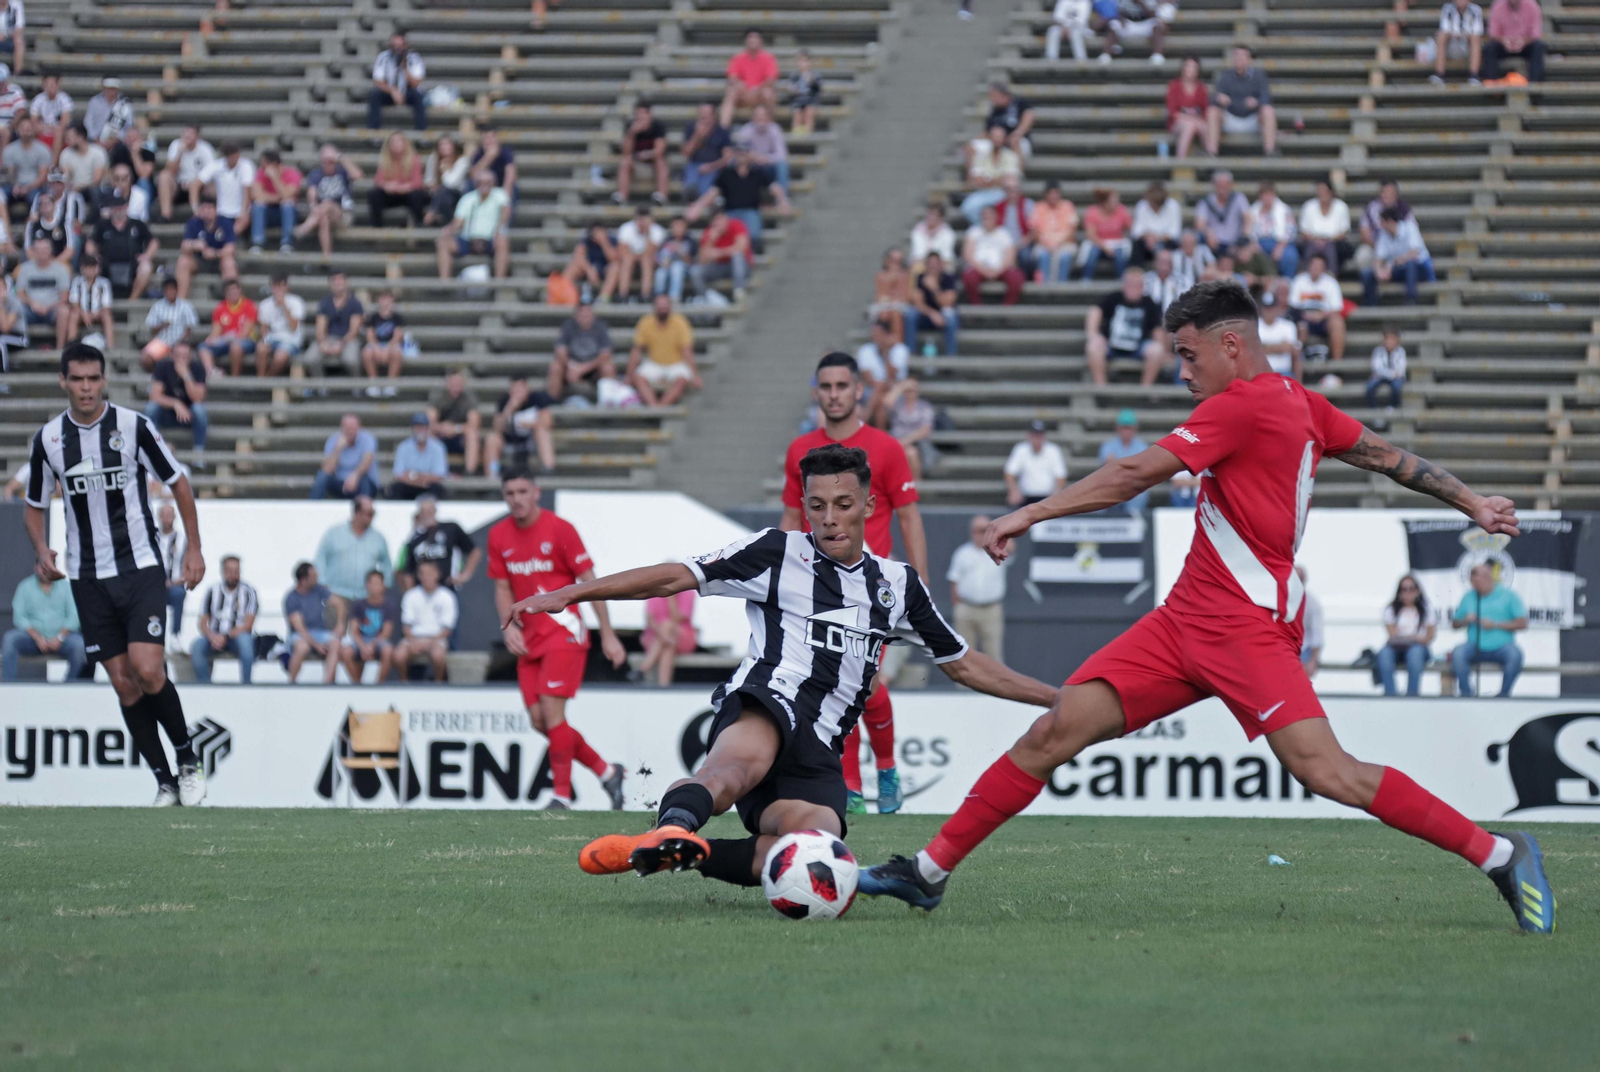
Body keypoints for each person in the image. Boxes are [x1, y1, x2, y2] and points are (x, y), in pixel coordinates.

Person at [856, 279, 1557, 937]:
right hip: (1183, 622)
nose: (1183, 373)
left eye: (1189, 356)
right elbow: (1387, 456)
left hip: (1248, 630)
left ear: (1231, 346)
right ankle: (928, 871)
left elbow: (1133, 473)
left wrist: (1028, 513)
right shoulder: (1303, 405)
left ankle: (1500, 853)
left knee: (1329, 771)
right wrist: (1473, 501)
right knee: (1056, 729)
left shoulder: (1240, 406)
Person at [547, 443, 1058, 888]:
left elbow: (966, 665)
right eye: (817, 507)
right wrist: (572, 593)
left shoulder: (898, 586)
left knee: (818, 851)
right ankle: (674, 827)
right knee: (733, 769)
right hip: (768, 701)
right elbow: (673, 577)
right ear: (804, 509)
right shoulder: (775, 552)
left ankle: (692, 855)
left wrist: (1058, 699)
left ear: (868, 505)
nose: (830, 518)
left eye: (842, 504)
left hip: (819, 747)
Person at [22, 342, 208, 806]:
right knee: (123, 682)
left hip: (141, 566)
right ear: (63, 381)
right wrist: (42, 547)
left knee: (148, 669)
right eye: (77, 379)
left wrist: (195, 549)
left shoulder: (133, 426)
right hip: (87, 578)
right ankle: (164, 780)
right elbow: (33, 506)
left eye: (93, 378)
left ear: (103, 380)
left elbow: (178, 482)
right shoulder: (48, 440)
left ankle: (187, 758)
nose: (86, 388)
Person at [782, 353, 928, 815]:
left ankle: (884, 769)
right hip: (817, 588)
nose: (834, 394)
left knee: (862, 685)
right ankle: (849, 787)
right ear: (815, 391)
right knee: (831, 684)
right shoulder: (800, 450)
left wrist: (916, 586)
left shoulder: (885, 449)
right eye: (825, 386)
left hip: (871, 589)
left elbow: (908, 517)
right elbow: (791, 518)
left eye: (842, 385)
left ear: (859, 389)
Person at [489, 469, 629, 809]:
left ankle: (561, 797)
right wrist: (508, 626)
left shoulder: (560, 529)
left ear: (536, 492)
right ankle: (607, 771)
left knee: (552, 716)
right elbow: (503, 586)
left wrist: (607, 634)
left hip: (564, 634)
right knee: (541, 722)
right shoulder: (498, 535)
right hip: (530, 641)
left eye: (523, 491)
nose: (517, 499)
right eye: (510, 493)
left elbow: (590, 583)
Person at [685, 141, 791, 252]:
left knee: (753, 236)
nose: (742, 155)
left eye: (744, 152)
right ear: (734, 155)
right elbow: (712, 193)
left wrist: (783, 201)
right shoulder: (726, 174)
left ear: (749, 154)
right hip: (731, 212)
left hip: (751, 211)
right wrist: (697, 206)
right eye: (739, 153)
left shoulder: (758, 172)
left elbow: (775, 188)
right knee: (726, 236)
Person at [1450, 562, 1527, 697]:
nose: (1476, 586)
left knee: (1515, 655)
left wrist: (1495, 624)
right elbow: (1455, 624)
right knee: (1458, 653)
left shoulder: (1509, 595)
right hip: (1475, 647)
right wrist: (1465, 620)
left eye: (1478, 581)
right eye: (1473, 582)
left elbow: (1522, 623)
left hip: (1502, 647)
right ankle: (1466, 693)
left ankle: (1504, 694)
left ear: (1489, 578)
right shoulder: (1469, 597)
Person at [313, 495, 392, 621]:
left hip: (365, 597)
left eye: (373, 513)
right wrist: (324, 586)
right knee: (333, 636)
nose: (372, 517)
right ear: (356, 512)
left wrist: (384, 586)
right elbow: (320, 559)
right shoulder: (334, 533)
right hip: (337, 593)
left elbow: (387, 564)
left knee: (365, 637)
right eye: (369, 513)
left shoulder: (378, 538)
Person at [1086, 267, 1167, 386]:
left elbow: (1157, 329)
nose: (1133, 288)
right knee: (1093, 346)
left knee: (1157, 350)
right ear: (1124, 284)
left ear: (1142, 286)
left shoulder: (1149, 303)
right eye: (1130, 284)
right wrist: (1093, 334)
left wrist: (1162, 347)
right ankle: (1101, 388)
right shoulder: (1114, 298)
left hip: (1139, 346)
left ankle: (1145, 389)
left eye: (1137, 285)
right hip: (1111, 344)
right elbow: (1095, 311)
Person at [2, 571, 85, 681]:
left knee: (80, 645)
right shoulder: (25, 586)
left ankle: (70, 685)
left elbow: (74, 616)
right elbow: (19, 617)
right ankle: (9, 686)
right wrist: (37, 638)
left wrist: (60, 637)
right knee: (10, 639)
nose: (46, 571)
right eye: (43, 566)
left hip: (62, 639)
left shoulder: (66, 586)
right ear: (36, 567)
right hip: (32, 639)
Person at [188, 555, 257, 684]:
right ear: (223, 572)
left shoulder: (249, 592)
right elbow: (202, 622)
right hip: (213, 636)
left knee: (247, 644)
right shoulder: (212, 591)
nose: (234, 575)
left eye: (237, 571)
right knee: (197, 647)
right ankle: (205, 685)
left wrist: (225, 636)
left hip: (237, 637)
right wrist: (212, 636)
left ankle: (247, 685)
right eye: (230, 571)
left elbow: (248, 624)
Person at [947, 514, 1007, 661]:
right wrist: (958, 607)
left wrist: (995, 534)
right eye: (976, 530)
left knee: (994, 655)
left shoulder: (999, 550)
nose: (979, 534)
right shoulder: (962, 553)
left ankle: (994, 685)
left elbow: (1012, 546)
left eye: (983, 530)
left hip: (991, 610)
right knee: (964, 656)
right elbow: (954, 581)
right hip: (966, 608)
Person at [627, 293, 701, 407]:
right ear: (654, 307)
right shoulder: (646, 322)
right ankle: (654, 407)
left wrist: (695, 375)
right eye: (660, 305)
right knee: (638, 378)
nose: (663, 308)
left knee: (681, 380)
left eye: (665, 305)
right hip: (654, 363)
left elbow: (687, 351)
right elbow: (637, 350)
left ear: (670, 306)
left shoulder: (680, 322)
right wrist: (629, 375)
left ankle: (660, 407)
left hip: (676, 364)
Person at [436, 168, 510, 280]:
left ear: (493, 183)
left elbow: (505, 213)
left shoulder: (499, 195)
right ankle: (444, 282)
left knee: (502, 241)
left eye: (487, 182)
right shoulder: (468, 198)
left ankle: (500, 282)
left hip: (490, 239)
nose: (484, 185)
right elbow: (458, 222)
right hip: (468, 239)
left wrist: (498, 229)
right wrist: (449, 230)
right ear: (476, 184)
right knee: (443, 243)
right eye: (480, 182)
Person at [1205, 45, 1277, 156]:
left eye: (1243, 55)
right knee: (1212, 111)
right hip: (1231, 118)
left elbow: (1267, 98)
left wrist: (1256, 102)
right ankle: (1211, 153)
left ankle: (1270, 152)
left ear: (1249, 59)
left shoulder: (1259, 75)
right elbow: (1213, 98)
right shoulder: (1225, 75)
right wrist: (1220, 98)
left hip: (1252, 119)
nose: (1239, 58)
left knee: (1268, 111)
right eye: (1236, 55)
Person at [399, 495, 481, 590]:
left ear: (435, 511)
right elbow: (408, 570)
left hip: (448, 587)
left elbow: (474, 551)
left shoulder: (450, 529)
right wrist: (410, 593)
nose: (427, 514)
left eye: (430, 510)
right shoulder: (415, 538)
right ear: (419, 514)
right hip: (422, 590)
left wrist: (465, 575)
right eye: (424, 511)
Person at [86, 191, 156, 300]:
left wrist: (147, 255)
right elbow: (91, 242)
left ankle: (132, 300)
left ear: (126, 207)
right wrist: (94, 256)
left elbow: (153, 242)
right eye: (116, 207)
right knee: (91, 266)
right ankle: (98, 300)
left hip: (132, 264)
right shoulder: (102, 224)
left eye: (121, 207)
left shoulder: (137, 224)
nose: (119, 210)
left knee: (146, 268)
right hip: (106, 265)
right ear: (112, 208)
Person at [395, 560, 456, 681]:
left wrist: (431, 642)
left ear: (437, 574)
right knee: (398, 655)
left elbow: (447, 629)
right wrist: (414, 642)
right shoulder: (410, 595)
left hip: (437, 639)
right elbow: (406, 626)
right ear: (419, 576)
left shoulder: (447, 596)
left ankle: (437, 686)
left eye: (430, 573)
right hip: (414, 638)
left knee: (438, 656)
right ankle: (404, 685)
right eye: (423, 573)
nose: (426, 577)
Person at [296, 144, 362, 258]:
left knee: (328, 203)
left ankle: (305, 227)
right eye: (326, 161)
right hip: (321, 214)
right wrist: (314, 207)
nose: (329, 164)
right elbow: (311, 194)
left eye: (331, 161)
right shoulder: (316, 174)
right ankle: (326, 257)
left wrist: (341, 157)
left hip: (343, 213)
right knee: (324, 218)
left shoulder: (343, 171)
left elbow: (358, 175)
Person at [144, 341, 208, 454]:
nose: (182, 359)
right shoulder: (163, 366)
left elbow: (198, 398)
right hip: (168, 412)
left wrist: (186, 376)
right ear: (171, 355)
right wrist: (175, 403)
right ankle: (152, 447)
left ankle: (199, 450)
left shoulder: (198, 368)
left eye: (186, 356)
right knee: (151, 407)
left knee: (200, 409)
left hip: (189, 414)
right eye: (178, 356)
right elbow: (154, 396)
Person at [485, 376, 556, 477]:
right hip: (509, 441)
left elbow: (548, 422)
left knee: (543, 433)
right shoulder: (504, 402)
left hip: (531, 440)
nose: (518, 392)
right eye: (515, 389)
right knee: (491, 439)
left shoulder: (537, 399)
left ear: (527, 389)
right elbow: (497, 428)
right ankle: (492, 475)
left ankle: (549, 469)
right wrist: (509, 409)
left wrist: (529, 424)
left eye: (520, 388)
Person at [283, 561, 341, 685]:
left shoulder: (319, 590)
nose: (317, 578)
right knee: (302, 647)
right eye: (313, 576)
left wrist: (340, 625)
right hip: (300, 635)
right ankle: (291, 683)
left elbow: (339, 604)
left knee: (335, 643)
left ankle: (327, 684)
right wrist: (316, 645)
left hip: (321, 632)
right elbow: (300, 628)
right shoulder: (291, 598)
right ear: (303, 580)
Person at [1362, 207, 1434, 305]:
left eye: (1382, 222)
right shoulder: (1384, 234)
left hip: (1418, 268)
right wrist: (1379, 271)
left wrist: (1391, 266)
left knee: (1410, 265)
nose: (1380, 225)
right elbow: (1378, 259)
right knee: (1367, 274)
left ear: (1390, 222)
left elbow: (1414, 254)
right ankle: (1371, 306)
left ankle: (1411, 301)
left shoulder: (1410, 228)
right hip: (1397, 270)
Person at [1379, 574, 1437, 696]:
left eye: (1411, 589)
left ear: (1417, 591)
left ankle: (1412, 695)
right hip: (1397, 648)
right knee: (1384, 654)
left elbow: (1429, 637)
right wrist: (1414, 637)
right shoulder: (1391, 609)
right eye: (1404, 589)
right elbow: (1392, 635)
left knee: (1415, 654)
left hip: (1419, 648)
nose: (1408, 593)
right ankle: (1390, 695)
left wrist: (1408, 637)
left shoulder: (1427, 609)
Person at [341, 569, 398, 683]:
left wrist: (372, 645)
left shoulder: (389, 605)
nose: (374, 587)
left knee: (388, 650)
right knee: (345, 652)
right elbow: (354, 631)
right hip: (360, 640)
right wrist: (363, 647)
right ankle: (357, 684)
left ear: (383, 586)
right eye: (372, 583)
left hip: (379, 641)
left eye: (378, 583)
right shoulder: (358, 604)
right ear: (367, 585)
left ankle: (378, 685)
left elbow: (386, 632)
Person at [174, 196, 235, 300]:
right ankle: (180, 301)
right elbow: (184, 245)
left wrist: (215, 253)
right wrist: (195, 245)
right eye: (204, 208)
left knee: (229, 263)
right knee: (183, 261)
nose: (206, 211)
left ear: (216, 210)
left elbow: (231, 248)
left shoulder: (225, 223)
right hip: (199, 260)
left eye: (210, 208)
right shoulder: (194, 223)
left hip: (219, 260)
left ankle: (230, 302)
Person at [962, 204, 1024, 306]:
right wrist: (983, 270)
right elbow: (967, 255)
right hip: (978, 268)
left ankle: (1006, 308)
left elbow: (1011, 256)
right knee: (969, 277)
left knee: (1016, 277)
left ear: (996, 217)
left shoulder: (1004, 234)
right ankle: (977, 307)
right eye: (984, 216)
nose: (987, 218)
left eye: (990, 216)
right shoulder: (973, 232)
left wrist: (997, 271)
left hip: (1000, 268)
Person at [1288, 253, 1346, 361]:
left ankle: (1337, 363)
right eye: (1314, 265)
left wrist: (1320, 315)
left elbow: (1337, 308)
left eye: (1320, 266)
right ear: (1309, 266)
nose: (1316, 268)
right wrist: (1304, 315)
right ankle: (1297, 360)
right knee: (1298, 325)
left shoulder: (1331, 283)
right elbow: (1293, 305)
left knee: (1337, 322)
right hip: (1302, 317)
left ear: (1324, 268)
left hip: (1323, 318)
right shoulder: (1299, 281)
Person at [959, 124, 1022, 225]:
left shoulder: (1010, 156)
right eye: (995, 136)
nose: (997, 139)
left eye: (1000, 137)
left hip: (1003, 194)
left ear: (1004, 139)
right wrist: (999, 179)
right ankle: (986, 228)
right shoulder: (981, 156)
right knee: (967, 208)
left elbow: (1010, 182)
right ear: (989, 138)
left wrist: (987, 179)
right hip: (984, 193)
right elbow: (976, 181)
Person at [16, 233, 69, 349]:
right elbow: (20, 294)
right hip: (30, 309)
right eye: (38, 249)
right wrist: (32, 304)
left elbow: (64, 298)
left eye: (45, 249)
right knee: (15, 308)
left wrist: (48, 307)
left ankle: (60, 348)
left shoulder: (61, 269)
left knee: (64, 311)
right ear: (34, 251)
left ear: (51, 250)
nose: (42, 252)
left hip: (52, 310)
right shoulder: (25, 268)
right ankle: (20, 345)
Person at [311, 413, 379, 500]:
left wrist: (355, 475)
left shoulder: (368, 439)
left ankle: (364, 507)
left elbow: (367, 462)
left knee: (364, 479)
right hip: (340, 483)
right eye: (347, 427)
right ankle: (313, 506)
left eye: (352, 427)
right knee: (321, 476)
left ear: (359, 427)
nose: (350, 430)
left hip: (362, 482)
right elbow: (327, 469)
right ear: (341, 428)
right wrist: (338, 449)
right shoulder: (333, 440)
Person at [367, 30, 426, 130]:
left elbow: (416, 83)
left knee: (419, 97)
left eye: (400, 46)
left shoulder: (414, 58)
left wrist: (405, 68)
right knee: (374, 95)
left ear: (405, 46)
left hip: (407, 91)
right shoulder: (383, 57)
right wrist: (393, 91)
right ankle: (374, 131)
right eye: (394, 46)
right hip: (389, 91)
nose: (397, 49)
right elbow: (377, 81)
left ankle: (421, 132)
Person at [720, 28, 779, 128]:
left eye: (756, 37)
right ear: (746, 41)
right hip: (743, 95)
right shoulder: (738, 58)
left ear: (761, 41)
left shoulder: (768, 58)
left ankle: (770, 127)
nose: (753, 40)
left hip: (759, 96)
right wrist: (742, 86)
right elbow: (732, 78)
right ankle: (724, 128)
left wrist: (757, 89)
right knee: (731, 92)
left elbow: (770, 80)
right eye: (750, 37)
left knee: (768, 93)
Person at [155, 125, 215, 221]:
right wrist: (180, 154)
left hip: (199, 186)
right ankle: (166, 214)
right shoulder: (176, 145)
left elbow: (211, 173)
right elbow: (171, 171)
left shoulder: (206, 149)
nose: (187, 136)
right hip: (179, 186)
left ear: (197, 136)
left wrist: (195, 183)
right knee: (163, 176)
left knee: (212, 186)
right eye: (185, 133)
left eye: (191, 134)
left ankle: (209, 215)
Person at [640, 583, 696, 686]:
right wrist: (664, 637)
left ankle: (644, 668)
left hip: (681, 637)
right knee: (669, 647)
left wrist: (671, 598)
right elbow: (650, 620)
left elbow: (678, 619)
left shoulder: (688, 593)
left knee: (667, 625)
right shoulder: (653, 593)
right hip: (658, 638)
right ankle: (664, 687)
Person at [367, 130, 426, 227]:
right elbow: (378, 180)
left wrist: (400, 188)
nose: (396, 144)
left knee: (417, 195)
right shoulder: (385, 159)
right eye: (393, 142)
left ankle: (419, 225)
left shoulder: (414, 158)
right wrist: (387, 186)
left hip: (407, 194)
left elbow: (417, 182)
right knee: (373, 194)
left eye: (399, 141)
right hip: (391, 194)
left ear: (405, 143)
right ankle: (377, 227)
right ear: (389, 146)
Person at [427, 368, 481, 475]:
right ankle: (433, 470)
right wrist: (443, 428)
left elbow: (474, 424)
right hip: (441, 437)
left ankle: (469, 472)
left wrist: (456, 429)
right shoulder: (438, 397)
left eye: (458, 382)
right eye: (453, 382)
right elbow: (429, 422)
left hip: (460, 438)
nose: (456, 385)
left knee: (473, 435)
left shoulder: (469, 398)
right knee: (428, 433)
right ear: (447, 383)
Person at [615, 101, 668, 206]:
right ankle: (622, 197)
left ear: (649, 114)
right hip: (636, 165)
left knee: (661, 161)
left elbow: (659, 150)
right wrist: (632, 133)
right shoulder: (631, 126)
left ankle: (662, 196)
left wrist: (647, 155)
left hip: (652, 164)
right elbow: (626, 151)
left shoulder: (657, 126)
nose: (640, 117)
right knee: (625, 161)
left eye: (643, 113)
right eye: (638, 114)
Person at [201, 277, 257, 378]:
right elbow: (216, 331)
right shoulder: (220, 308)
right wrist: (212, 339)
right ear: (225, 293)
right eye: (229, 290)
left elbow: (245, 333)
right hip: (225, 341)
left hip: (246, 340)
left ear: (240, 290)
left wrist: (228, 338)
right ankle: (211, 372)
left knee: (235, 347)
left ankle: (234, 377)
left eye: (235, 289)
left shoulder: (249, 306)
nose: (233, 292)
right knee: (203, 347)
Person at [1098, 408, 1151, 513]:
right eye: (1124, 428)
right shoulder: (1108, 446)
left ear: (1135, 429)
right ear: (1118, 428)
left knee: (1140, 496)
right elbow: (1106, 468)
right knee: (1097, 495)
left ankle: (1134, 521)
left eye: (1129, 428)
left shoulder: (1142, 447)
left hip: (1134, 485)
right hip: (1112, 485)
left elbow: (1143, 470)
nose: (1126, 431)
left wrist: (1118, 464)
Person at [1004, 420, 1068, 507]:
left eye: (1039, 435)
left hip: (1047, 497)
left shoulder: (1053, 450)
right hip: (1025, 497)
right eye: (1035, 435)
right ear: (1029, 435)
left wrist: (1056, 493)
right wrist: (1014, 491)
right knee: (1013, 502)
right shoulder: (1021, 449)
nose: (1037, 439)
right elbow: (1010, 472)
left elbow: (1060, 476)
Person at [1298, 178, 1352, 276]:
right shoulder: (1308, 206)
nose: (1322, 194)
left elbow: (1343, 233)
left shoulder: (1341, 207)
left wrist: (1328, 240)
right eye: (1319, 191)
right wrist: (1317, 240)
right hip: (1313, 241)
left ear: (1331, 192)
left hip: (1334, 242)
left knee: (1330, 248)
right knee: (1310, 247)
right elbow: (1304, 232)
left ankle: (1331, 276)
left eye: (1324, 191)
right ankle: (1308, 276)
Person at [1244, 179, 1298, 277]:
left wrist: (1280, 246)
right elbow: (1247, 231)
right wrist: (1253, 244)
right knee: (1246, 255)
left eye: (1270, 195)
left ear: (1274, 195)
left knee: (1290, 256)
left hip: (1279, 242)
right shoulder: (1252, 211)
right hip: (1259, 243)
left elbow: (1291, 231)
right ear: (1260, 196)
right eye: (1264, 195)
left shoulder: (1284, 210)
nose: (1267, 198)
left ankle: (1287, 283)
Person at [389, 412, 449, 500]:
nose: (420, 430)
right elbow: (398, 475)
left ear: (428, 429)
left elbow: (439, 476)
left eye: (423, 427)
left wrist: (413, 475)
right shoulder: (403, 446)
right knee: (395, 488)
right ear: (412, 429)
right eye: (417, 427)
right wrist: (423, 479)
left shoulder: (438, 447)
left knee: (438, 489)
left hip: (428, 486)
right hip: (409, 486)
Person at [909, 251, 960, 355]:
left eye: (936, 264)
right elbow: (918, 303)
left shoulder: (948, 278)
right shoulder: (920, 278)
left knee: (951, 316)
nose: (933, 267)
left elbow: (947, 303)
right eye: (930, 264)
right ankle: (910, 352)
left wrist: (934, 288)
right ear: (926, 265)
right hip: (927, 315)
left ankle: (951, 355)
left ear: (941, 265)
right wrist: (932, 314)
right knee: (910, 314)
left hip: (944, 315)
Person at [1028, 181, 1079, 284]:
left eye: (1055, 193)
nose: (1053, 196)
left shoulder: (1067, 206)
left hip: (1064, 243)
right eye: (1050, 193)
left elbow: (1073, 229)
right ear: (1045, 195)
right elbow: (1035, 230)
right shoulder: (1039, 207)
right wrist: (1047, 244)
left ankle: (1061, 287)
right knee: (1043, 256)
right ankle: (1044, 288)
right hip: (1043, 244)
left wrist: (1059, 243)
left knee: (1064, 257)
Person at [1077, 186, 1132, 280]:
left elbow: (1132, 228)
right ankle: (1086, 280)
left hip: (1117, 244)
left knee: (1120, 256)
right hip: (1098, 243)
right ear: (1105, 203)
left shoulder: (1121, 210)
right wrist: (1104, 247)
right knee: (1092, 253)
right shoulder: (1092, 212)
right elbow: (1090, 235)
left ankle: (1122, 280)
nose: (1117, 203)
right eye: (1114, 201)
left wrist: (1127, 216)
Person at [314, 270, 363, 374]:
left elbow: (354, 331)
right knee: (310, 358)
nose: (337, 282)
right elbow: (320, 328)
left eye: (340, 279)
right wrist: (323, 343)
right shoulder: (325, 303)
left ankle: (356, 386)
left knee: (351, 360)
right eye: (334, 280)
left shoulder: (355, 304)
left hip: (348, 339)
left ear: (346, 282)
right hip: (329, 338)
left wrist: (341, 344)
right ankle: (320, 387)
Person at [694, 208, 750, 300]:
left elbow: (741, 247)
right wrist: (710, 241)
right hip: (720, 267)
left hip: (741, 267)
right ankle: (704, 299)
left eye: (721, 219)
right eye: (716, 220)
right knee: (695, 271)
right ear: (712, 223)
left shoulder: (736, 225)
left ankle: (739, 291)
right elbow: (701, 260)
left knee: (737, 256)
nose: (719, 223)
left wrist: (720, 253)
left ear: (726, 218)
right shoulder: (709, 233)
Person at [680, 102, 730, 203]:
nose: (703, 118)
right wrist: (697, 136)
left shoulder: (722, 131)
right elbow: (686, 153)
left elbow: (727, 158)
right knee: (691, 182)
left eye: (706, 115)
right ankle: (692, 197)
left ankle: (705, 200)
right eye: (701, 114)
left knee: (706, 186)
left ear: (713, 116)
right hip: (695, 165)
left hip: (714, 166)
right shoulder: (691, 128)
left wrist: (711, 166)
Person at [613, 205, 665, 302]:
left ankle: (645, 294)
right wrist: (635, 256)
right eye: (639, 219)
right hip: (629, 262)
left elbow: (651, 252)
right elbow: (621, 252)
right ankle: (623, 295)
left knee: (646, 260)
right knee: (627, 259)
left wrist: (647, 232)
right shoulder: (626, 228)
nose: (641, 222)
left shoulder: (657, 230)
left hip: (650, 263)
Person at [257, 273, 305, 377]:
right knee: (261, 349)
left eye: (282, 285)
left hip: (291, 339)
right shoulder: (265, 304)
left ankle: (266, 379)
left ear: (287, 286)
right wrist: (264, 340)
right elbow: (263, 328)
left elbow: (293, 327)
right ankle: (260, 378)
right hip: (272, 338)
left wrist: (284, 306)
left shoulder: (296, 302)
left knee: (280, 357)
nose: (279, 289)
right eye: (276, 285)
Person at [1483, 0, 1543, 82]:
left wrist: (1524, 41)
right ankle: (1491, 84)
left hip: (1525, 44)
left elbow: (1536, 34)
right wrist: (1503, 40)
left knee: (1538, 46)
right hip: (1504, 44)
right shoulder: (1497, 5)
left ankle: (1535, 85)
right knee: (1489, 48)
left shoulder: (1532, 6)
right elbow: (1493, 33)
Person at [736, 103, 788, 193]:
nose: (760, 118)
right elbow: (740, 151)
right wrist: (752, 157)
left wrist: (766, 158)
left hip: (768, 165)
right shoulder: (746, 130)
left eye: (763, 115)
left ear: (768, 118)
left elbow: (782, 155)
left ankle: (783, 198)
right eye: (757, 115)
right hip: (752, 164)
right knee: (737, 164)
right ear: (752, 118)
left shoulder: (775, 129)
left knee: (782, 165)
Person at [153, 501, 187, 640]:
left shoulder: (183, 539)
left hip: (175, 585)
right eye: (164, 515)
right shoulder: (152, 538)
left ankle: (175, 635)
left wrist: (173, 583)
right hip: (154, 585)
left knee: (179, 594)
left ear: (174, 517)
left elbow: (187, 569)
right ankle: (154, 636)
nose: (166, 519)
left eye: (169, 515)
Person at [65, 254, 114, 350]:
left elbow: (106, 305)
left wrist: (94, 315)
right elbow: (74, 302)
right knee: (73, 314)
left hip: (98, 313)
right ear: (82, 269)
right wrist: (84, 315)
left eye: (93, 267)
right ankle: (71, 344)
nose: (90, 270)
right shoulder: (77, 282)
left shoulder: (104, 283)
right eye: (87, 267)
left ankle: (110, 345)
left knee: (107, 315)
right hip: (81, 312)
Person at [1099, 0, 1171, 65]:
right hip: (1129, 24)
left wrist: (1141, 3)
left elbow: (1153, 15)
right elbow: (1119, 11)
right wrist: (1121, 20)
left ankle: (1157, 55)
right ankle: (1106, 55)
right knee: (1114, 24)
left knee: (1158, 24)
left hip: (1144, 24)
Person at [1194, 170, 1249, 255]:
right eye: (1220, 184)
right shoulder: (1206, 201)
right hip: (1214, 243)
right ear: (1214, 185)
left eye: (1225, 184)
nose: (1223, 187)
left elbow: (1248, 218)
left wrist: (1243, 236)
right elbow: (1199, 223)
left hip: (1234, 243)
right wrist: (1208, 232)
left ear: (1230, 185)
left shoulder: (1239, 198)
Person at [1165, 54, 1208, 158]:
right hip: (1177, 123)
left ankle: (1210, 158)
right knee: (1190, 125)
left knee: (1205, 126)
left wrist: (1196, 119)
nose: (1190, 70)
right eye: (1188, 66)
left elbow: (1205, 111)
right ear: (1182, 68)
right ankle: (1181, 160)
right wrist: (1192, 118)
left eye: (1194, 67)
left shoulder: (1201, 88)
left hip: (1198, 122)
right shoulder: (1174, 86)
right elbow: (1173, 113)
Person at [1431, 0, 1485, 84]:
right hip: (1451, 45)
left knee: (1476, 38)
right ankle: (1439, 74)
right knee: (1441, 36)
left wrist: (1461, 34)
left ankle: (1474, 75)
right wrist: (1459, 34)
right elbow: (1445, 28)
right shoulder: (1447, 9)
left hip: (1467, 46)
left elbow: (1477, 30)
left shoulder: (1476, 10)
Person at [2, 116, 51, 205]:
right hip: (15, 184)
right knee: (2, 194)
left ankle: (34, 218)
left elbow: (42, 177)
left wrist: (28, 187)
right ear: (18, 130)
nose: (25, 132)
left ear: (33, 130)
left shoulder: (43, 149)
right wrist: (15, 185)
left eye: (28, 129)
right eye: (23, 129)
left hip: (35, 186)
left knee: (36, 198)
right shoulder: (9, 149)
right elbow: (10, 173)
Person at [360, 289, 405, 387]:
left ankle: (391, 384)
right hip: (376, 344)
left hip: (391, 344)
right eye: (383, 298)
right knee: (366, 353)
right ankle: (373, 383)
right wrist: (376, 348)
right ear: (378, 300)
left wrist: (387, 349)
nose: (385, 301)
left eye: (388, 298)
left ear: (392, 300)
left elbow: (397, 336)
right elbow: (370, 335)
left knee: (397, 352)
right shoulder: (373, 317)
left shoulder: (397, 318)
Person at [422, 133, 469, 226]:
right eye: (441, 144)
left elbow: (450, 183)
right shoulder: (433, 158)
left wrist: (444, 168)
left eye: (447, 144)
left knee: (446, 195)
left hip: (457, 194)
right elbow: (428, 180)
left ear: (454, 146)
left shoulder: (462, 161)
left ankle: (431, 214)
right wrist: (433, 186)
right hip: (435, 193)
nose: (444, 147)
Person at [1130, 181, 1180, 267]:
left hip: (1166, 243)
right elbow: (1136, 232)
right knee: (1137, 245)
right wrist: (1148, 237)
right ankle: (1136, 274)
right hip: (1146, 245)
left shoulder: (1173, 206)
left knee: (1174, 245)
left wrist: (1156, 238)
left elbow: (1175, 233)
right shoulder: (1142, 205)